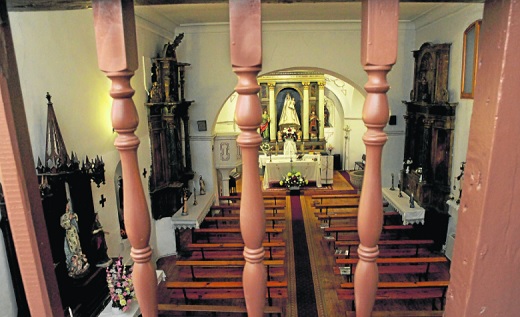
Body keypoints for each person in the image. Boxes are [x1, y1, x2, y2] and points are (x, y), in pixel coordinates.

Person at [60, 201, 90, 278]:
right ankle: (77, 269)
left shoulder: (70, 217)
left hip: (74, 239)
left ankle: (80, 268)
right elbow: (65, 224)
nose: (68, 207)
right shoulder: (65, 220)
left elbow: (74, 220)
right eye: (67, 206)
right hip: (71, 240)